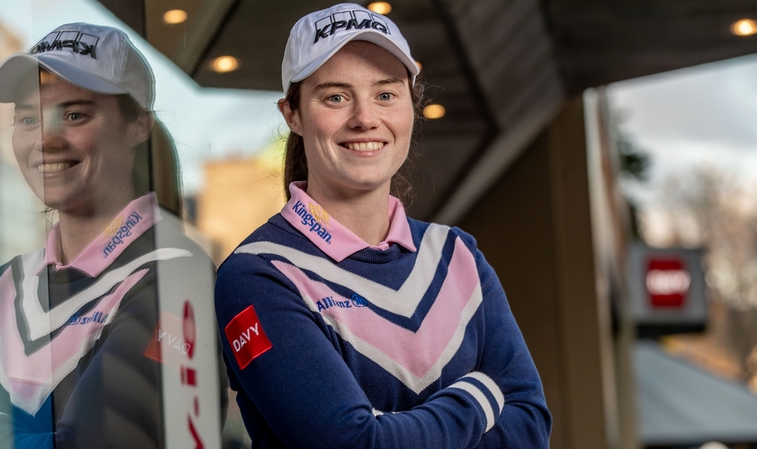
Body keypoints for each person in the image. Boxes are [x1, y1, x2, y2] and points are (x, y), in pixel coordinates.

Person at [214, 3, 551, 448]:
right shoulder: (259, 274)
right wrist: (481, 395)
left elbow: (530, 427)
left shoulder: (457, 254)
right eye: (335, 96)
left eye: (386, 94)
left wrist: (393, 429)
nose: (364, 118)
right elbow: (354, 445)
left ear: (411, 107)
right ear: (292, 114)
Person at [0, 23, 224, 448]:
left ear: (137, 125)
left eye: (75, 114)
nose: (45, 138)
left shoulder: (178, 276)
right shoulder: (10, 284)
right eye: (28, 118)